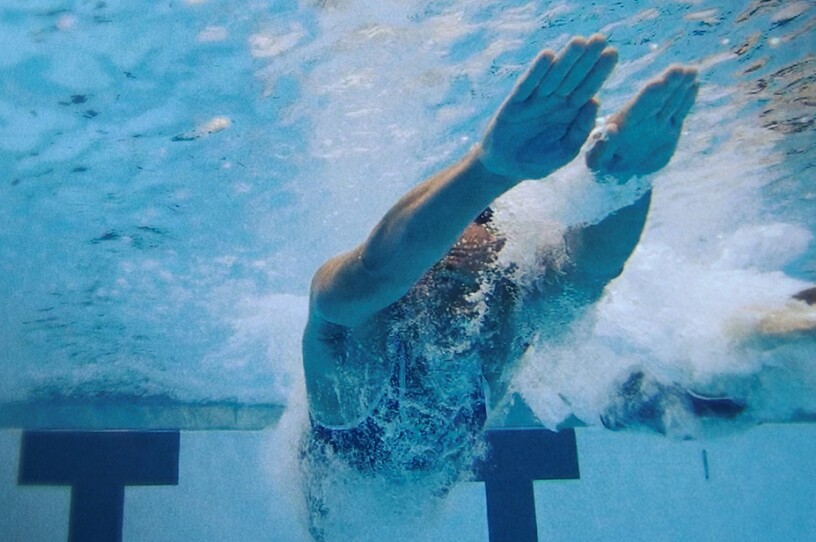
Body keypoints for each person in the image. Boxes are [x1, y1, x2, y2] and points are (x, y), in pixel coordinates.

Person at [299, 34, 700, 537]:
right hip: (341, 505)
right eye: (439, 275)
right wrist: (489, 169)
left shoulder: (501, 309)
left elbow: (584, 273)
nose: (459, 298)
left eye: (470, 280)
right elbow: (378, 272)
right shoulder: (351, 341)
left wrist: (625, 183)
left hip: (420, 497)